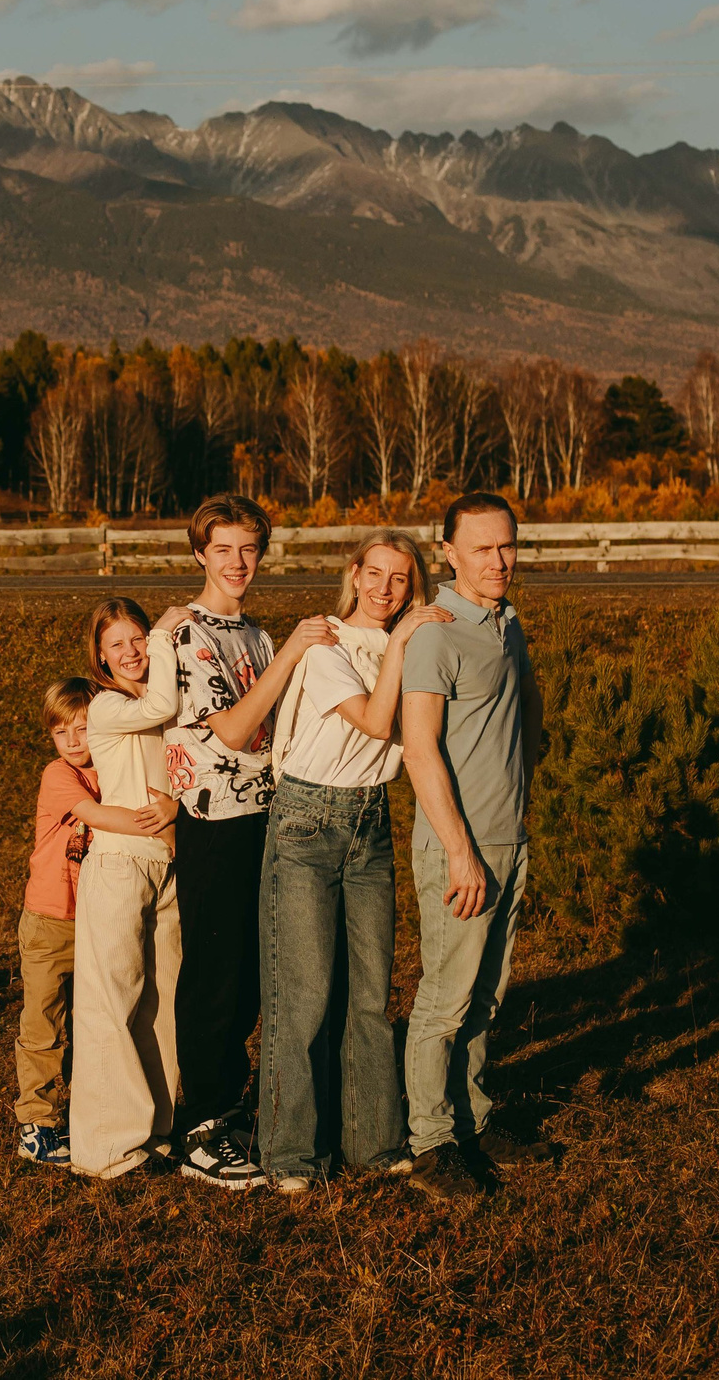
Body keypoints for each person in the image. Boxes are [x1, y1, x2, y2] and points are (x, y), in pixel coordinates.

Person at [254, 530, 450, 1192]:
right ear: (355, 574)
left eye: (400, 578)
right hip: (308, 820)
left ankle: (372, 1141)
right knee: (303, 996)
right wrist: (399, 642)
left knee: (369, 995)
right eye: (376, 573)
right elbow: (372, 719)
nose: (386, 588)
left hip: (370, 821)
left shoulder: (414, 644)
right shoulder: (328, 642)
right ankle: (290, 1156)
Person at [158, 494, 337, 1191]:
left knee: (251, 977)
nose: (237, 563)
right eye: (223, 549)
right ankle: (198, 1126)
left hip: (266, 813)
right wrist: (294, 648)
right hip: (211, 819)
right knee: (213, 971)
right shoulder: (187, 637)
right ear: (199, 552)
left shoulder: (257, 636)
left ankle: (232, 1109)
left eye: (249, 549)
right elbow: (231, 731)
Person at [398, 492, 545, 1202]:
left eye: (508, 545)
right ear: (448, 552)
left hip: (508, 837)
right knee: (445, 1001)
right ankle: (430, 1142)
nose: (499, 560)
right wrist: (459, 848)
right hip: (460, 848)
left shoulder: (507, 622)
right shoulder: (438, 632)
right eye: (482, 548)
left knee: (486, 996)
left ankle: (474, 1117)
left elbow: (525, 714)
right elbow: (418, 749)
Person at [69, 596, 192, 1180]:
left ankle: (158, 1129)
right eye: (116, 644)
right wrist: (168, 634)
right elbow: (164, 701)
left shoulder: (158, 702)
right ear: (100, 656)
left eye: (139, 637)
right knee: (110, 1005)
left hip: (166, 864)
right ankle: (106, 1150)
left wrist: (174, 805)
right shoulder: (109, 707)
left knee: (162, 1002)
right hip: (118, 864)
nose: (132, 651)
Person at [15, 678, 97, 1168]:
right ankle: (36, 1123)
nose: (72, 740)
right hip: (48, 920)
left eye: (82, 728)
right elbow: (99, 817)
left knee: (91, 1024)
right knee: (43, 1023)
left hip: (95, 918)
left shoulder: (112, 769)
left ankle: (85, 1113)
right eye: (60, 731)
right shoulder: (57, 775)